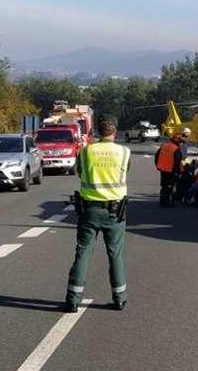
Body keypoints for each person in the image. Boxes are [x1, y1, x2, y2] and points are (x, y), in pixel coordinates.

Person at [65, 115, 131, 313]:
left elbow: (80, 173)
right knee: (115, 254)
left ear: (96, 132)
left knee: (83, 252)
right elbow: (126, 170)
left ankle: (73, 299)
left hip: (89, 210)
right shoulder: (124, 152)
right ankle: (119, 298)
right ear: (115, 131)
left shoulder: (86, 152)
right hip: (115, 211)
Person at [155, 131, 185, 207]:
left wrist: (158, 165)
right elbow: (177, 162)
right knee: (169, 186)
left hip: (163, 169)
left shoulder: (164, 146)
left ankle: (162, 200)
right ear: (177, 141)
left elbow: (156, 156)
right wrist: (179, 172)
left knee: (164, 185)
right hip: (171, 171)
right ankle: (166, 202)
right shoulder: (176, 149)